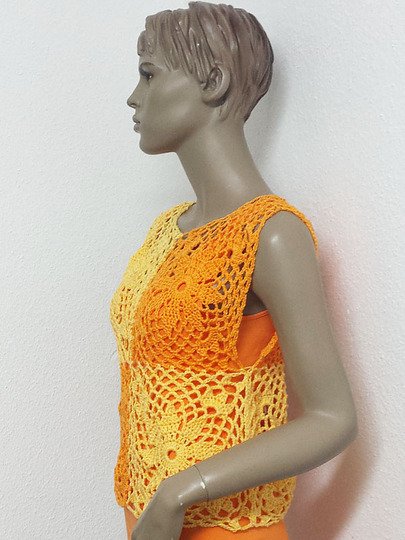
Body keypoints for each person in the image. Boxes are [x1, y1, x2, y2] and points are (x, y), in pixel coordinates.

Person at [110, 2, 358, 539]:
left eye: (148, 74)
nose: (133, 97)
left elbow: (332, 417)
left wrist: (180, 490)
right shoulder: (168, 229)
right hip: (147, 519)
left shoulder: (271, 234)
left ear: (213, 82)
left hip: (226, 527)